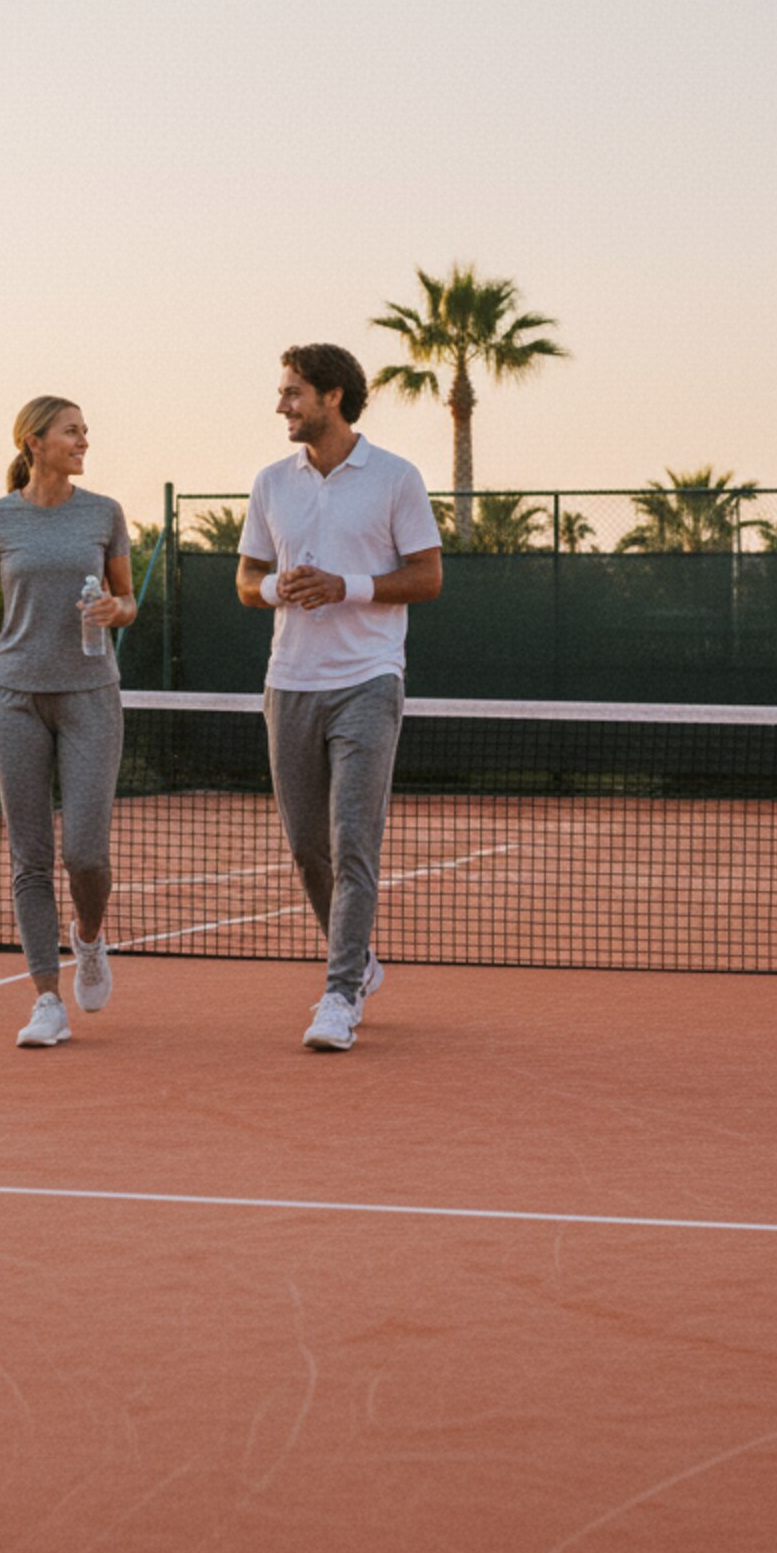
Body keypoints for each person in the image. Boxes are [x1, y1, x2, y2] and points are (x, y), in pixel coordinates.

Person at [235, 344, 443, 1050]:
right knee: (306, 849)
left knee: (354, 841)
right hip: (288, 683)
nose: (281, 406)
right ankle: (358, 961)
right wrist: (276, 590)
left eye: (293, 393)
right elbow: (246, 580)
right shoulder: (271, 482)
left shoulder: (395, 478)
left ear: (331, 397)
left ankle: (339, 992)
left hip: (369, 681)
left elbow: (427, 578)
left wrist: (345, 587)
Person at [0, 397, 136, 1047]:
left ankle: (88, 938)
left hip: (90, 698)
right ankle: (46, 1001)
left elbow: (129, 599)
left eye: (84, 430)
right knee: (29, 859)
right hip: (14, 699)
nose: (85, 439)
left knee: (84, 853)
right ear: (34, 441)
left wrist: (118, 609)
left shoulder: (104, 513)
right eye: (72, 430)